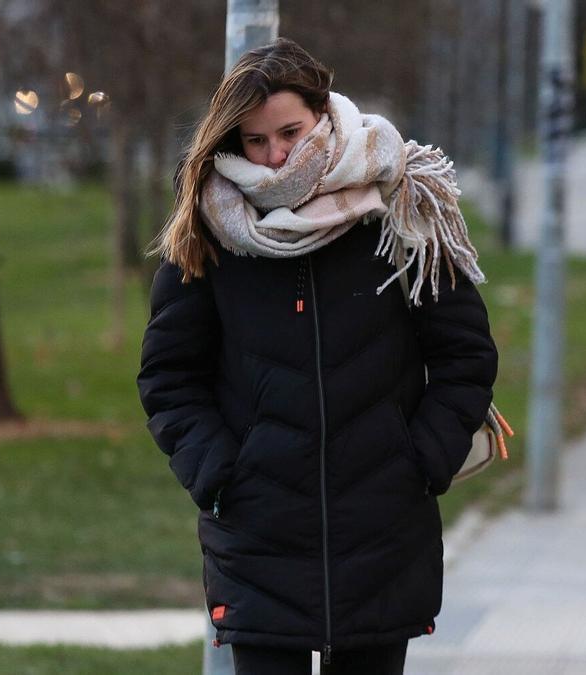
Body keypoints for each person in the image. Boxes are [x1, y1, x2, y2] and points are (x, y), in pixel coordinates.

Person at [136, 38, 498, 674]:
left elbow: (464, 355)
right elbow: (169, 376)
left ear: (324, 115)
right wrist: (218, 476)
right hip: (256, 534)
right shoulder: (210, 228)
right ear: (230, 144)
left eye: (289, 132)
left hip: (382, 530)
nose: (276, 157)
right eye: (254, 142)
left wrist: (420, 461)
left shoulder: (399, 206)